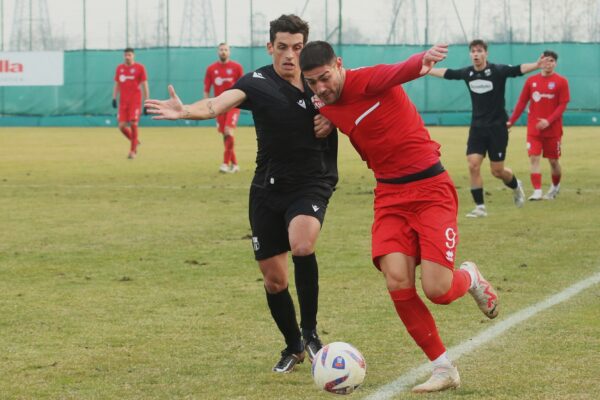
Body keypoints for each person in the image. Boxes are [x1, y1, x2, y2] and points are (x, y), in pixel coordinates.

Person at [300, 40, 499, 393]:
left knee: (437, 290)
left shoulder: (368, 80)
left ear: (340, 65)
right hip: (389, 196)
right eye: (312, 81)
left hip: (429, 189)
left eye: (325, 78)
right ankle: (443, 368)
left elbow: (401, 70)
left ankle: (468, 277)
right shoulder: (323, 103)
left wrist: (421, 60)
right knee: (397, 281)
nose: (320, 87)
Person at [145, 15, 338, 374]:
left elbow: (359, 98)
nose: (290, 56)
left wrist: (336, 117)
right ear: (270, 47)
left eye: (297, 48)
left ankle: (311, 333)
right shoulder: (257, 82)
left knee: (303, 244)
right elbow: (218, 103)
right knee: (274, 279)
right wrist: (187, 110)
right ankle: (294, 346)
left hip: (311, 183)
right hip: (267, 188)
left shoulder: (322, 81)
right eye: (282, 47)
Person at [428, 39, 549, 217]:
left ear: (486, 53)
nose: (476, 54)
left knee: (497, 171)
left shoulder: (497, 71)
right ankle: (480, 207)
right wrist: (428, 70)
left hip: (497, 129)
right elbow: (448, 73)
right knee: (473, 165)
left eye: (479, 51)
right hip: (477, 129)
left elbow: (517, 69)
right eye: (473, 51)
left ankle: (516, 185)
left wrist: (537, 65)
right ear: (470, 54)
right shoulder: (467, 73)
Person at [507, 50, 570, 200]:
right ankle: (537, 191)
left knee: (553, 161)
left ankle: (555, 187)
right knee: (534, 158)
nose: (548, 64)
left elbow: (562, 105)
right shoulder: (531, 81)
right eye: (545, 60)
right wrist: (511, 121)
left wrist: (548, 121)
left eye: (551, 61)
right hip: (534, 130)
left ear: (555, 63)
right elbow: (522, 102)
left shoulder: (561, 81)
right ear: (540, 62)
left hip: (553, 130)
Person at [203, 43, 244, 173]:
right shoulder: (211, 69)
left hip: (233, 104)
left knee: (228, 131)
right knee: (225, 136)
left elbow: (242, 86)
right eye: (221, 50)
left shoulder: (237, 67)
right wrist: (206, 106)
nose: (223, 52)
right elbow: (206, 89)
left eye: (226, 50)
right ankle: (235, 164)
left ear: (229, 52)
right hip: (218, 106)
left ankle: (225, 164)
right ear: (218, 52)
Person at [112, 47, 149, 159]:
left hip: (135, 101)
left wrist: (146, 102)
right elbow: (117, 84)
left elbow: (144, 85)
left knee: (133, 123)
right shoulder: (120, 68)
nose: (127, 57)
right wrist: (114, 98)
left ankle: (133, 151)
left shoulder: (140, 68)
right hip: (123, 102)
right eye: (126, 55)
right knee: (122, 126)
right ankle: (135, 141)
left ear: (133, 56)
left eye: (129, 55)